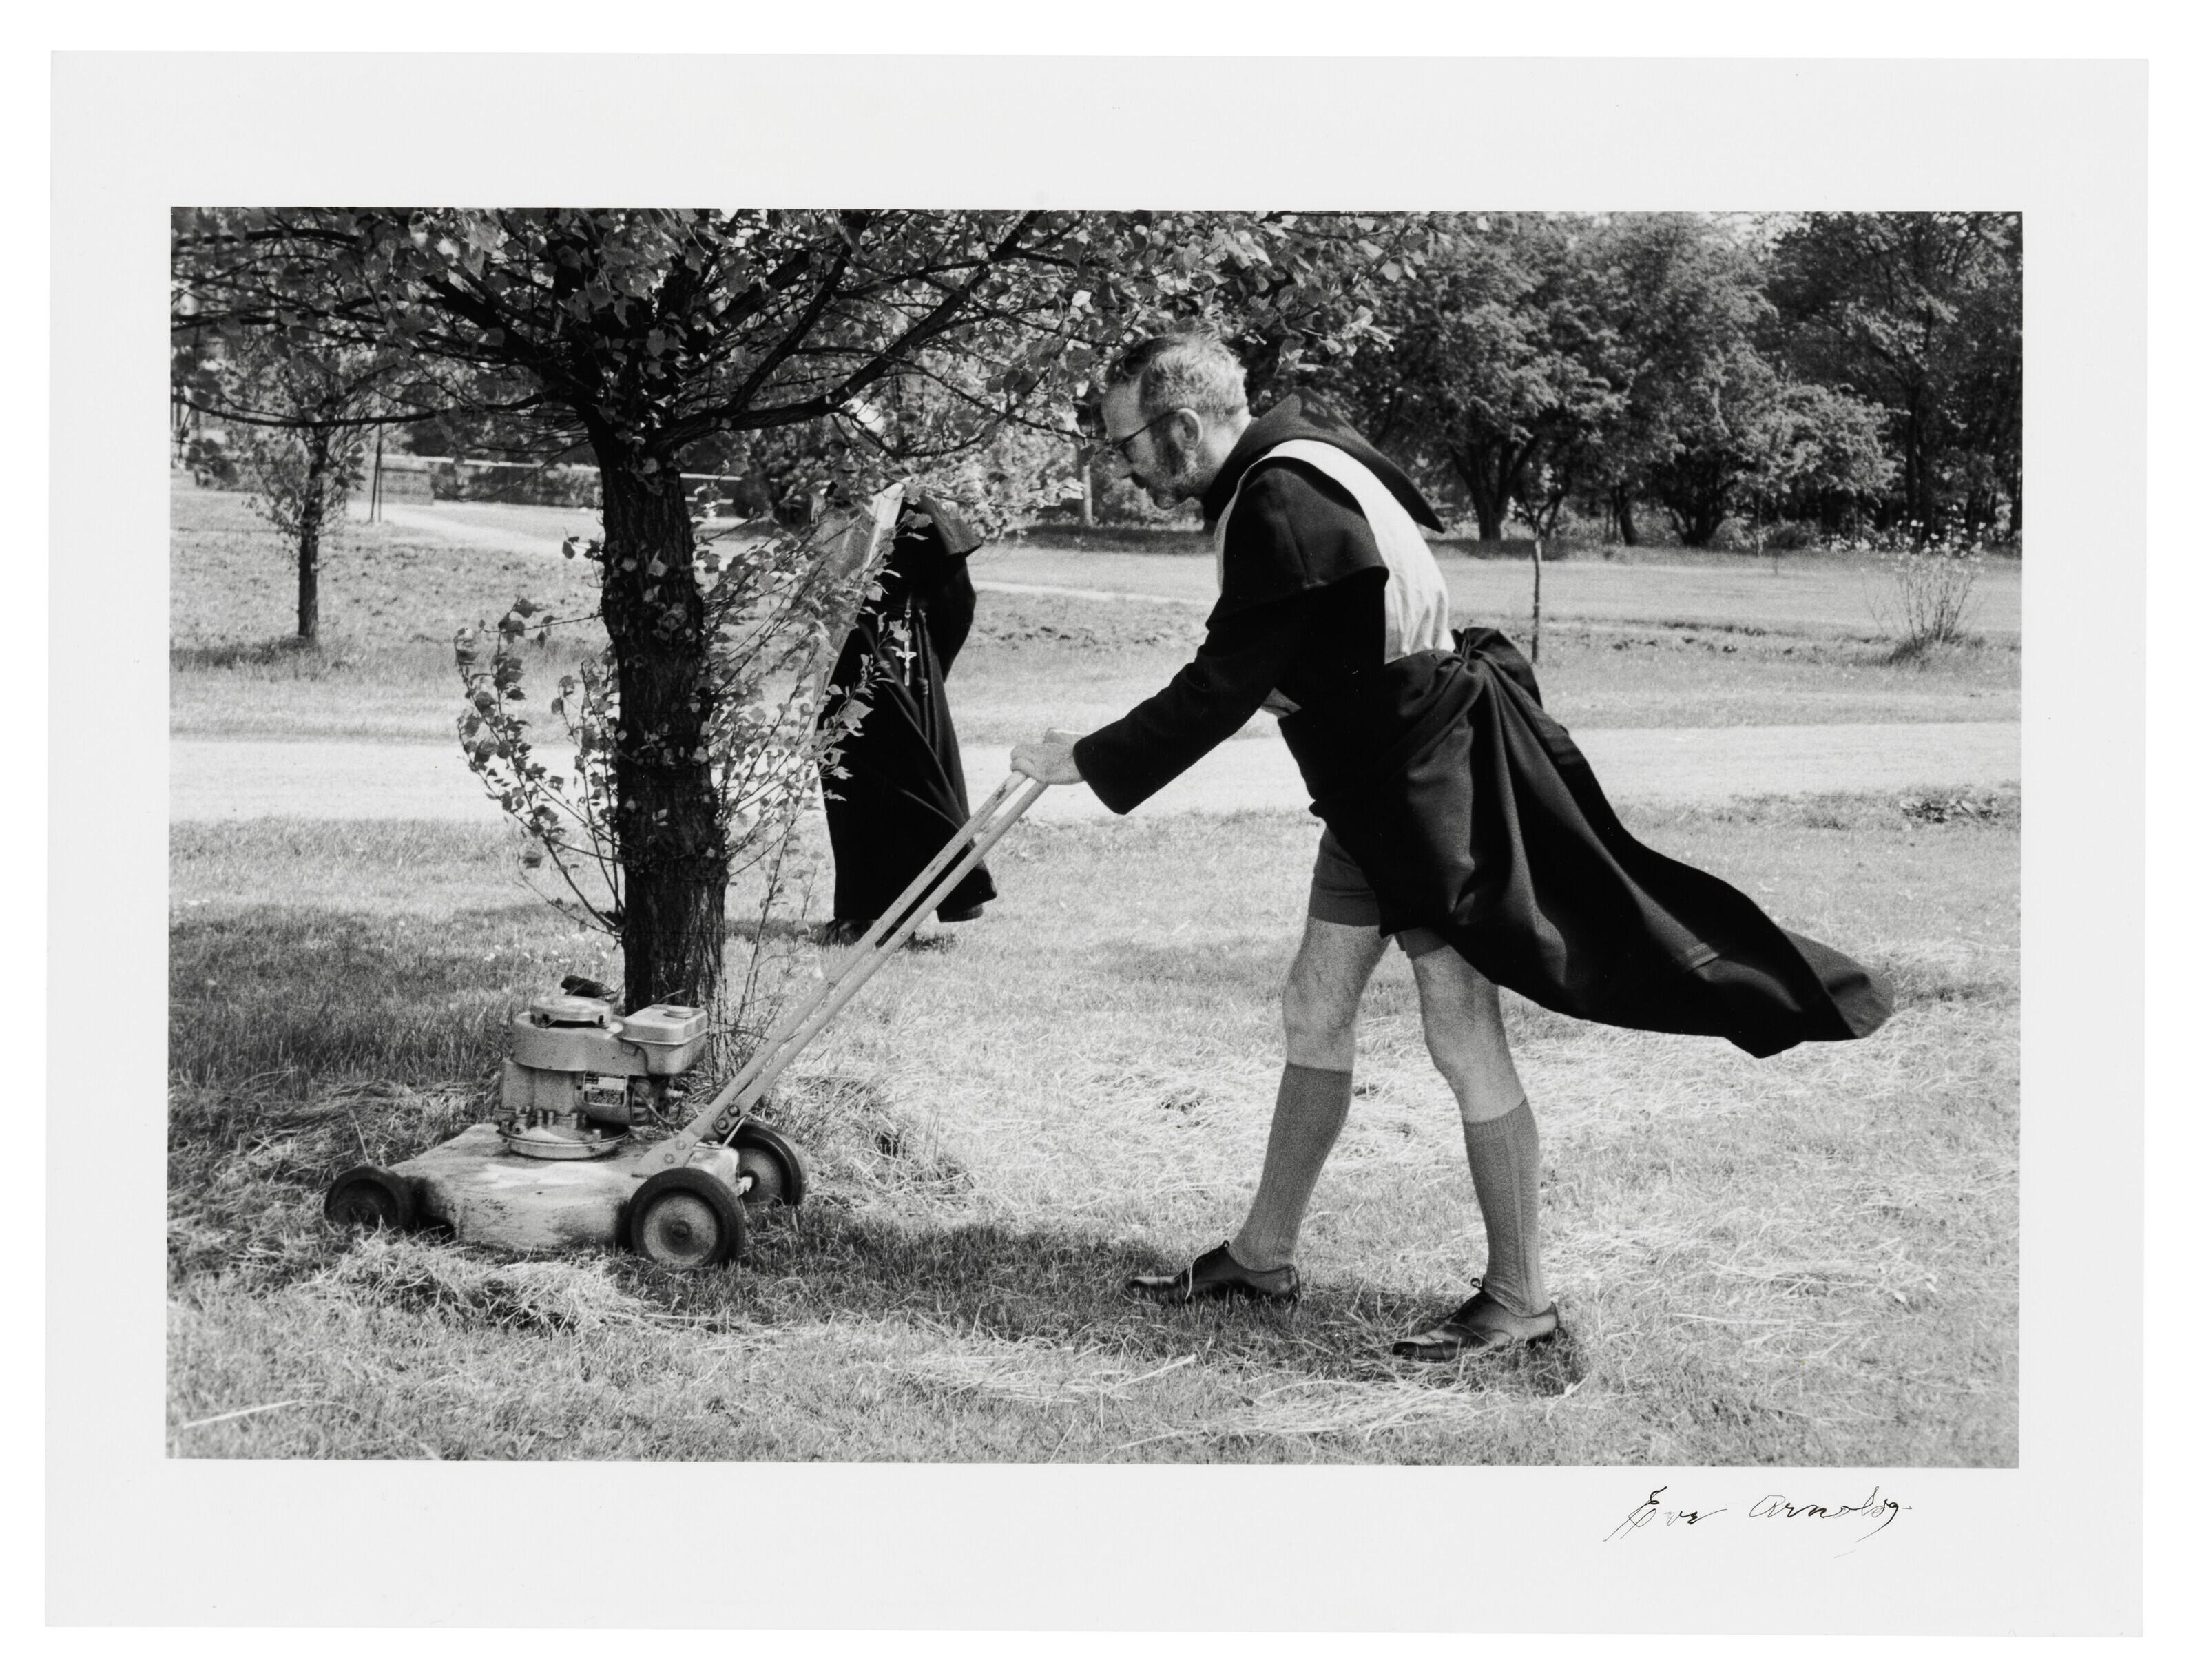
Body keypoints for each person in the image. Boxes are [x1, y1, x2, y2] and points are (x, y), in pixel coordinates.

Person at [1010, 332, 1889, 1361]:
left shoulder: (1280, 499)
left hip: (1425, 793)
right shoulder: (1299, 452)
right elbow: (1320, 634)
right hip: (1371, 792)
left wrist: (1090, 758)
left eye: (1127, 447)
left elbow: (1224, 681)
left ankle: (1520, 1300)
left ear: (1184, 427)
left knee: (1461, 1026)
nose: (1123, 469)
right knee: (1315, 1000)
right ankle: (1262, 1255)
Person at [815, 482, 995, 943]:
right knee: (845, 775)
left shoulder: (916, 504)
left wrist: (929, 668)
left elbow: (959, 600)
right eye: (832, 446)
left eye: (848, 445)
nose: (839, 458)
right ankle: (860, 909)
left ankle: (906, 908)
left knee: (903, 776)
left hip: (900, 658)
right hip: (841, 657)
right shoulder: (834, 502)